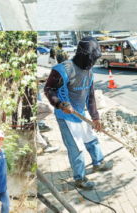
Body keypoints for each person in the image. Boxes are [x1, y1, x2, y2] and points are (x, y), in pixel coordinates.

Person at [44, 37, 114, 190]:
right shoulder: (62, 70)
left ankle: (98, 163)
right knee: (77, 147)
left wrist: (95, 117)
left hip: (81, 112)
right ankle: (79, 178)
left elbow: (90, 96)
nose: (93, 63)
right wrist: (59, 103)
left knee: (91, 138)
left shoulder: (89, 73)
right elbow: (49, 89)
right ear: (84, 56)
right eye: (92, 59)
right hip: (66, 115)